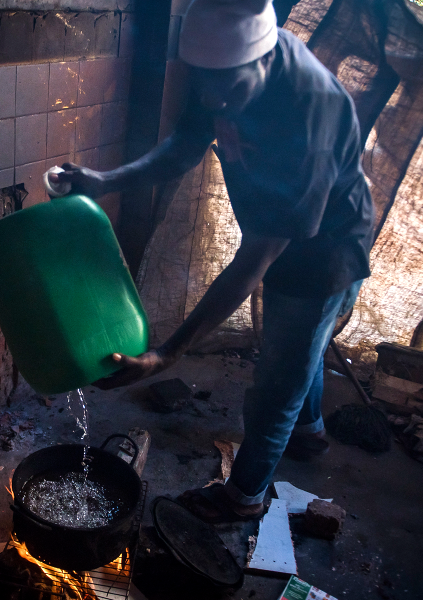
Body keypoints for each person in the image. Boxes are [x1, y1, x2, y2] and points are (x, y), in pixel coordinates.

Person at [51, 0, 373, 522]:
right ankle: (310, 434)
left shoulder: (309, 108)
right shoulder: (222, 69)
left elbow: (257, 259)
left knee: (276, 382)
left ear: (264, 61)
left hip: (325, 252)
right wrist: (106, 181)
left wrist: (168, 354)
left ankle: (242, 498)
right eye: (206, 85)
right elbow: (184, 146)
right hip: (279, 231)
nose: (215, 100)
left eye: (230, 88)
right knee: (296, 348)